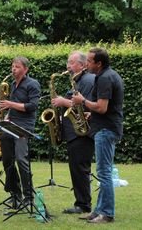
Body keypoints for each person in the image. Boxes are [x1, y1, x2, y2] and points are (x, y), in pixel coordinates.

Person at [72, 47, 124, 224]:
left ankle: (107, 214)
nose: (86, 64)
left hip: (106, 130)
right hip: (105, 127)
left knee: (104, 173)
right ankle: (98, 210)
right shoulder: (107, 75)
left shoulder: (104, 78)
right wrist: (90, 114)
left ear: (98, 63)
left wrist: (83, 101)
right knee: (103, 171)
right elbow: (104, 109)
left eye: (89, 61)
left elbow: (102, 107)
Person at [51, 51, 95, 214]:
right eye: (68, 62)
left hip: (82, 132)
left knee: (80, 168)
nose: (68, 66)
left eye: (71, 62)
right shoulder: (78, 80)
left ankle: (83, 205)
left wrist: (63, 102)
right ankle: (81, 202)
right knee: (76, 167)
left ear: (83, 65)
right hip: (75, 132)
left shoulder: (89, 80)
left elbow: (87, 105)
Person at [0, 56, 41, 206]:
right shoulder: (12, 84)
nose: (13, 69)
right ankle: (15, 194)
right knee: (7, 160)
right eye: (12, 66)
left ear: (25, 69)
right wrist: (6, 117)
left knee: (21, 160)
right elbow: (13, 108)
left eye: (17, 66)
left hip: (24, 127)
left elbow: (32, 106)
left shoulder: (32, 84)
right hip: (11, 125)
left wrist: (10, 103)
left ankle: (29, 197)